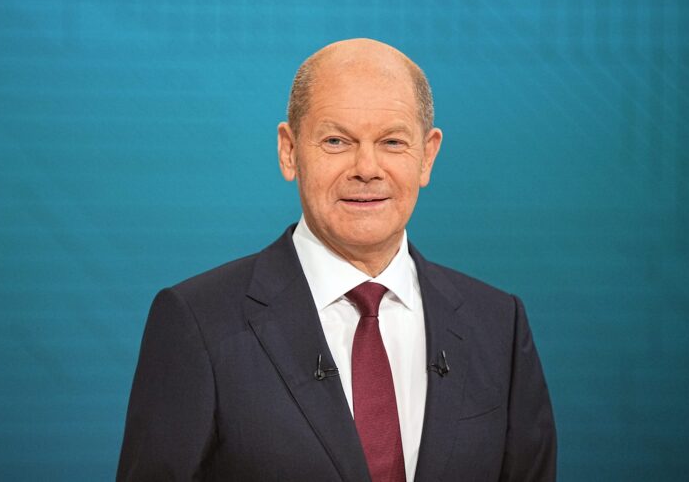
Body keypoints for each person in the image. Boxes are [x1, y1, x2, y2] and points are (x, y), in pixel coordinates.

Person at [116, 38, 557, 481]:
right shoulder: (197, 322)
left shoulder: (499, 325)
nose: (367, 167)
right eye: (336, 140)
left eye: (392, 141)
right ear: (289, 151)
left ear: (427, 156)